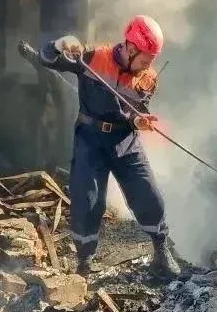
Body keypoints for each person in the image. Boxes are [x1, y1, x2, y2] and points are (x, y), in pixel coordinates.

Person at [38, 16, 181, 278]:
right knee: (88, 200)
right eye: (146, 58)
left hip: (125, 141)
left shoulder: (148, 79)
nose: (149, 64)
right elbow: (46, 58)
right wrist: (59, 44)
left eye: (152, 59)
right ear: (131, 47)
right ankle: (85, 261)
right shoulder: (93, 58)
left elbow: (134, 113)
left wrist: (139, 121)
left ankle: (161, 251)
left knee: (148, 194)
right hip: (90, 139)